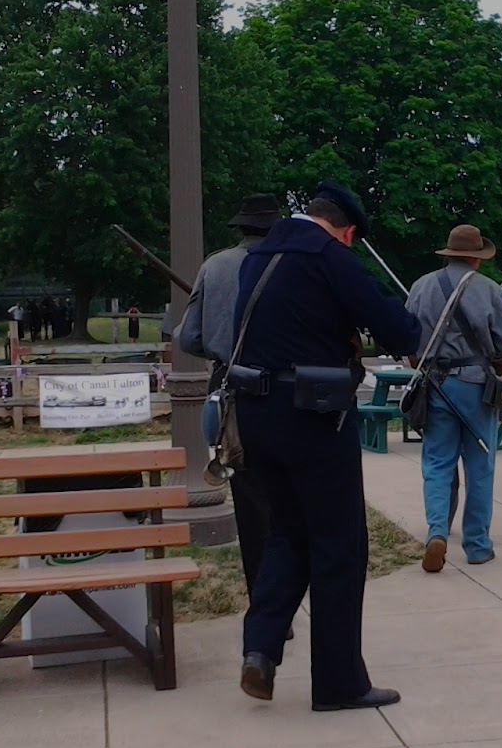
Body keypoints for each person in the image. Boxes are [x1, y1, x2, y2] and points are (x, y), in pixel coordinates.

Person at [235, 182, 421, 711]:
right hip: (313, 417)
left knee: (288, 534)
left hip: (256, 412)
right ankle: (339, 683)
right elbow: (397, 330)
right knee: (340, 546)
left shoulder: (260, 255)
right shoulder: (328, 256)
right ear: (347, 231)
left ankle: (260, 650)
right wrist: (410, 320)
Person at [174, 193, 282, 596]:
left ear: (241, 227)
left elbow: (190, 337)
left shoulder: (215, 265)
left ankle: (265, 600)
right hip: (290, 395)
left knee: (252, 505)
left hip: (234, 392)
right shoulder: (294, 264)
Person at [404, 224, 502, 571]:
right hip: (475, 387)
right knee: (480, 466)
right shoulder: (490, 290)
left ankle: (437, 532)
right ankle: (478, 546)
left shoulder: (421, 286)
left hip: (434, 385)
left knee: (437, 464)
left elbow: (409, 344)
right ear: (477, 257)